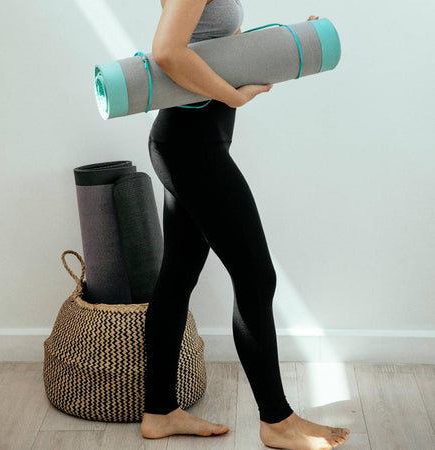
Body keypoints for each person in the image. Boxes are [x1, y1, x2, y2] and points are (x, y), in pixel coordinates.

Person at [140, 0, 351, 448]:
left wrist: (292, 43)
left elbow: (219, 47)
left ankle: (159, 412)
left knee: (177, 275)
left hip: (195, 141)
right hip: (191, 147)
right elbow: (167, 52)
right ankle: (276, 421)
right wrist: (232, 96)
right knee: (256, 277)